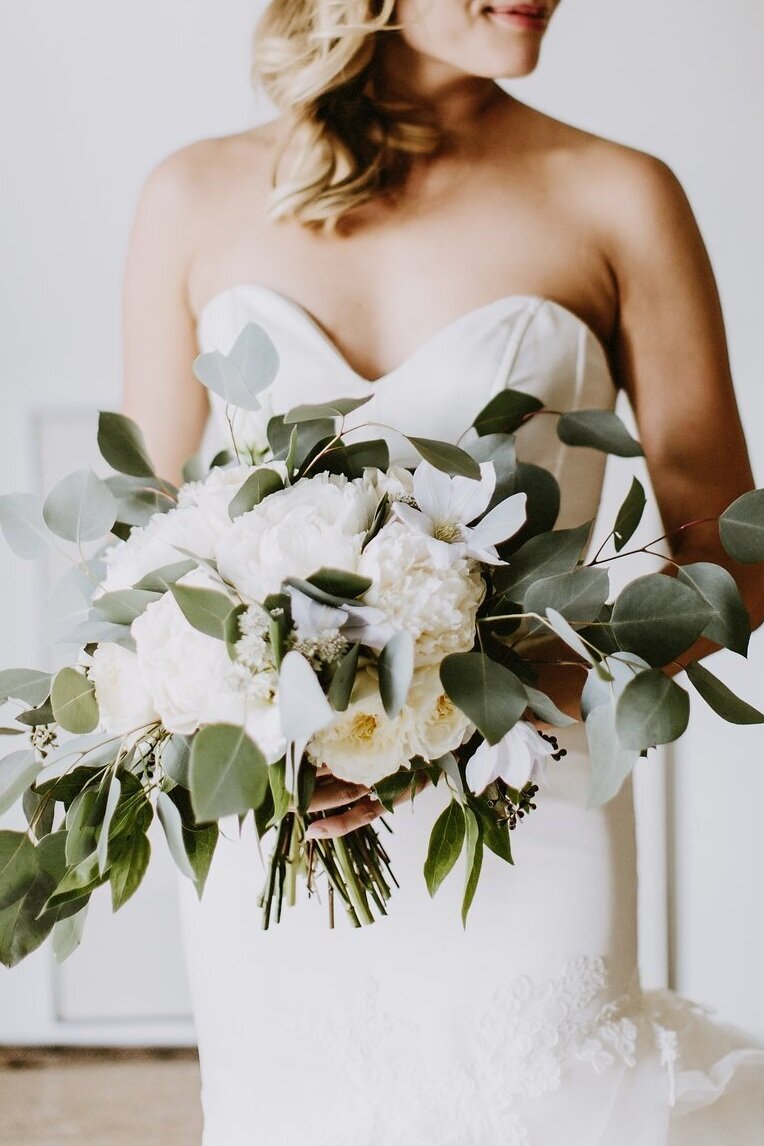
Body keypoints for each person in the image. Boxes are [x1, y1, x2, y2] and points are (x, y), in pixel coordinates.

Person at [122, 2, 764, 1142]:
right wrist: (239, 718)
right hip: (288, 814)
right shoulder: (190, 197)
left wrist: (473, 707)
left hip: (530, 794)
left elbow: (732, 556)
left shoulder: (618, 196)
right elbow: (148, 544)